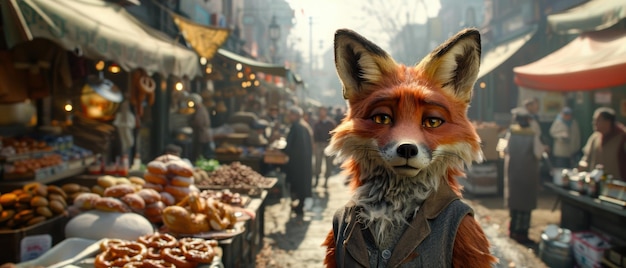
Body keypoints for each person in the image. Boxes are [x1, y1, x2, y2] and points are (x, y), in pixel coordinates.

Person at [503, 108, 544, 245]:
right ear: (528, 120)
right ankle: (522, 233)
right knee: (526, 205)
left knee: (514, 202)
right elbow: (538, 153)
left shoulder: (511, 134)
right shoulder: (533, 136)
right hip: (528, 175)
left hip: (514, 173)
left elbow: (505, 150)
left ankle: (513, 229)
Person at [282, 106, 314, 216]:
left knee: (297, 182)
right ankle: (300, 204)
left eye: (290, 114)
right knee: (302, 182)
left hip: (297, 161)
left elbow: (289, 146)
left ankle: (299, 206)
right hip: (304, 161)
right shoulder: (304, 126)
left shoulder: (296, 126)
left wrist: (282, 150)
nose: (288, 117)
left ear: (295, 115)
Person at [578, 107, 626, 179]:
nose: (594, 123)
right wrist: (583, 163)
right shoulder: (595, 137)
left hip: (617, 185)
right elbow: (586, 157)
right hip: (594, 183)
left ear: (607, 122)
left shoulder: (622, 137)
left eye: (597, 120)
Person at [312, 106, 337, 187]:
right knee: (317, 163)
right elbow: (314, 135)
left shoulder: (331, 123)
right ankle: (316, 179)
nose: (321, 113)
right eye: (320, 111)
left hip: (328, 144)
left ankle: (326, 181)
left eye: (323, 111)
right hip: (319, 144)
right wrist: (315, 145)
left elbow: (334, 134)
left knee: (328, 163)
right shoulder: (317, 123)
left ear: (326, 112)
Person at [189, 93, 214, 162]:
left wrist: (190, 122)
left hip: (202, 135)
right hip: (202, 135)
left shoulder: (201, 110)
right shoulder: (200, 109)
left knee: (202, 154)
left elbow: (198, 122)